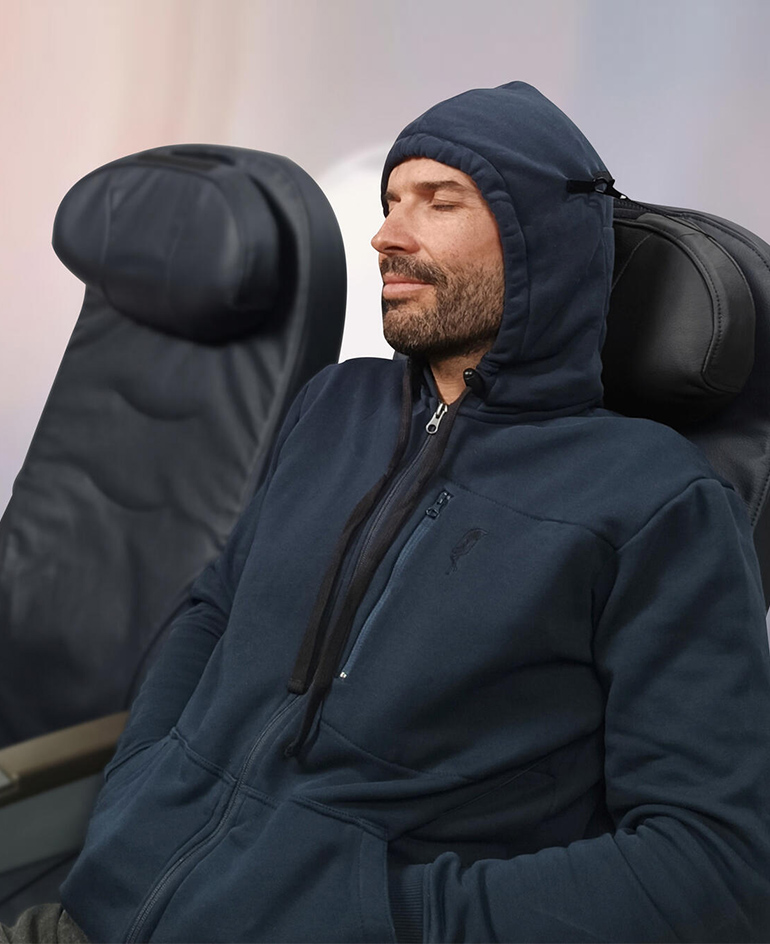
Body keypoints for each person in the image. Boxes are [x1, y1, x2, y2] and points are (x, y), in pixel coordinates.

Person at [4, 80, 770, 943]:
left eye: (440, 202)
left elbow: (712, 867)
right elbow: (213, 609)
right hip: (94, 912)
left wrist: (392, 917)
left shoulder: (656, 501)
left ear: (544, 239)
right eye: (391, 202)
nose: (387, 235)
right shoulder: (334, 405)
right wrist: (143, 785)